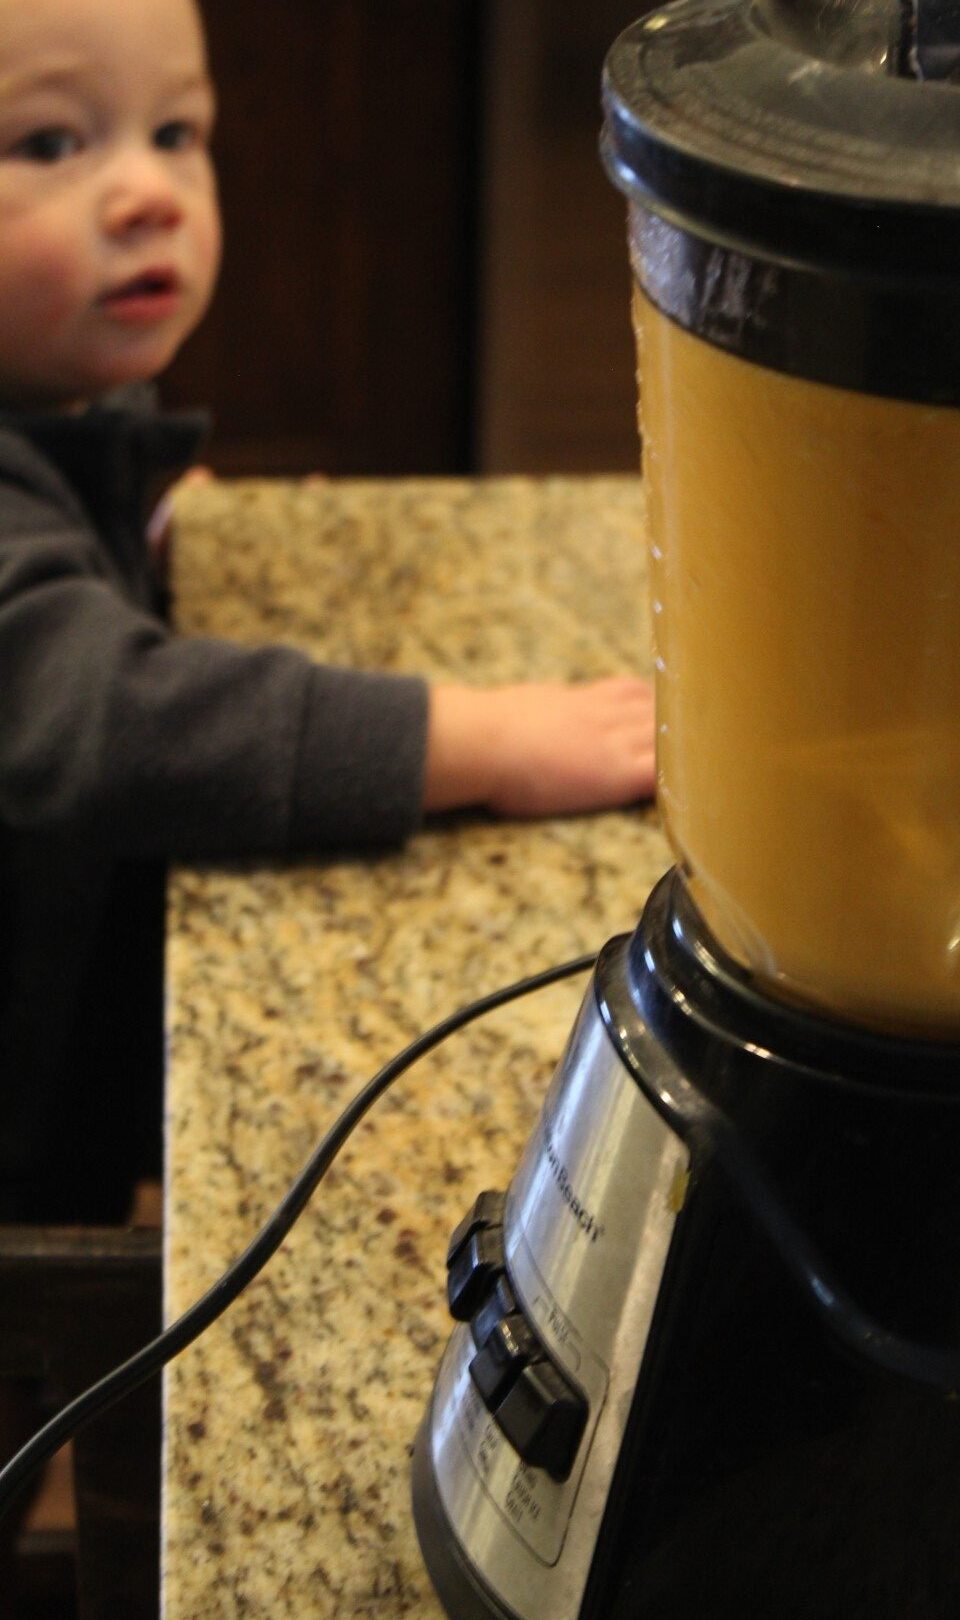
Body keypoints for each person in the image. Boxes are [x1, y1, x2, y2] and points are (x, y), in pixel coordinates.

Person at [0, 0, 656, 1226]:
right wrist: (480, 743)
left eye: (175, 131)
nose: (148, 193)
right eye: (46, 145)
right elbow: (106, 721)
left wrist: (126, 555)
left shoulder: (60, 397)